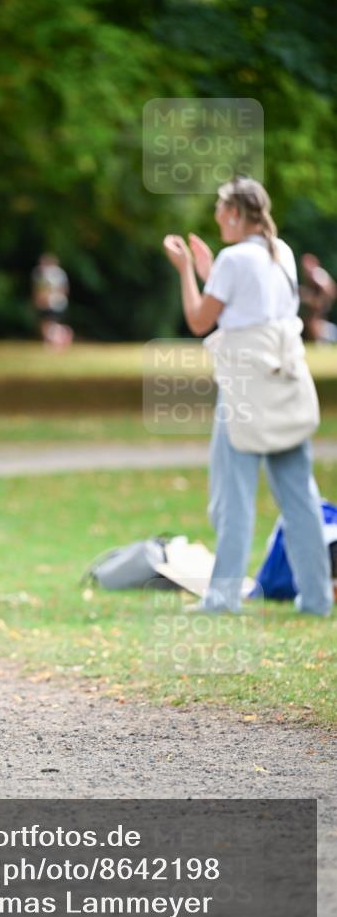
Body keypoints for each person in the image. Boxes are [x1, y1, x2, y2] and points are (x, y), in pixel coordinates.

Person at [162, 177, 332, 616]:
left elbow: (201, 320)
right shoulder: (282, 253)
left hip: (245, 391)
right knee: (300, 497)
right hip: (285, 386)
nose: (218, 221)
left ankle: (222, 598)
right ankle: (316, 598)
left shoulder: (235, 259)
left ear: (235, 214)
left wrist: (186, 271)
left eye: (221, 213)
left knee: (232, 496)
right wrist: (210, 270)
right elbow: (250, 307)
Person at [31, 252, 73, 349]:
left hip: (51, 302)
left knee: (48, 323)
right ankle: (56, 340)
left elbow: (40, 289)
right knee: (50, 323)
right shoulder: (59, 273)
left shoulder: (43, 273)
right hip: (58, 302)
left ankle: (53, 341)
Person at [299, 253, 337, 344]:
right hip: (319, 304)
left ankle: (322, 342)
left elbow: (329, 291)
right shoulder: (315, 274)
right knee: (312, 322)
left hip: (321, 303)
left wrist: (314, 300)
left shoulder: (316, 274)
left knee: (313, 323)